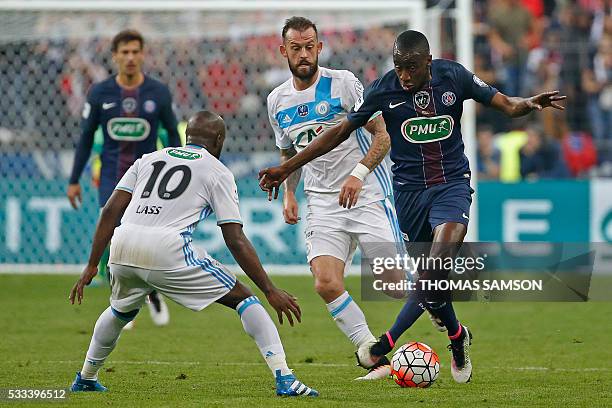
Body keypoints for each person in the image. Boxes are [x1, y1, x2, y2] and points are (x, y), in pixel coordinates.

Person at [259, 30, 566, 383]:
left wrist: (529, 103)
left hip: (451, 186)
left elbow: (507, 105)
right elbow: (340, 132)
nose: (404, 75)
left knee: (435, 266)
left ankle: (383, 344)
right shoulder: (382, 89)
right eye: (399, 67)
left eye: (412, 68)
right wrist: (287, 168)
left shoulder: (455, 76)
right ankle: (456, 335)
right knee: (426, 284)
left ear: (428, 63)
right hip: (408, 195)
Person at [68, 111, 318, 397]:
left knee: (120, 310)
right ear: (220, 139)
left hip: (122, 244)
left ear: (188, 136)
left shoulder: (148, 159)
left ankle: (86, 377)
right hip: (167, 249)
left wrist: (91, 265)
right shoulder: (217, 170)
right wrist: (270, 290)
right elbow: (234, 238)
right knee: (245, 299)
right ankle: (284, 377)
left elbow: (111, 211)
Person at [267, 17, 405, 381]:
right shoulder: (277, 100)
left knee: (394, 286)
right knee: (325, 282)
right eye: (295, 48)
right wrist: (290, 194)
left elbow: (382, 137)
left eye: (309, 46)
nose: (303, 54)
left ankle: (446, 317)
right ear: (284, 51)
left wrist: (358, 174)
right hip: (323, 203)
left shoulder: (343, 83)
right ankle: (372, 355)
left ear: (319, 47)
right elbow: (289, 154)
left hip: (368, 193)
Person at [67, 30, 181, 328]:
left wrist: (180, 173)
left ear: (143, 55)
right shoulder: (100, 93)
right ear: (115, 56)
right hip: (111, 176)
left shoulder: (158, 93)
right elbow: (85, 137)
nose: (130, 58)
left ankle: (152, 293)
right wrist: (73, 179)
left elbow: (171, 133)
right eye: (124, 52)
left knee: (147, 238)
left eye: (135, 52)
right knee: (113, 236)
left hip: (149, 179)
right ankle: (121, 300)